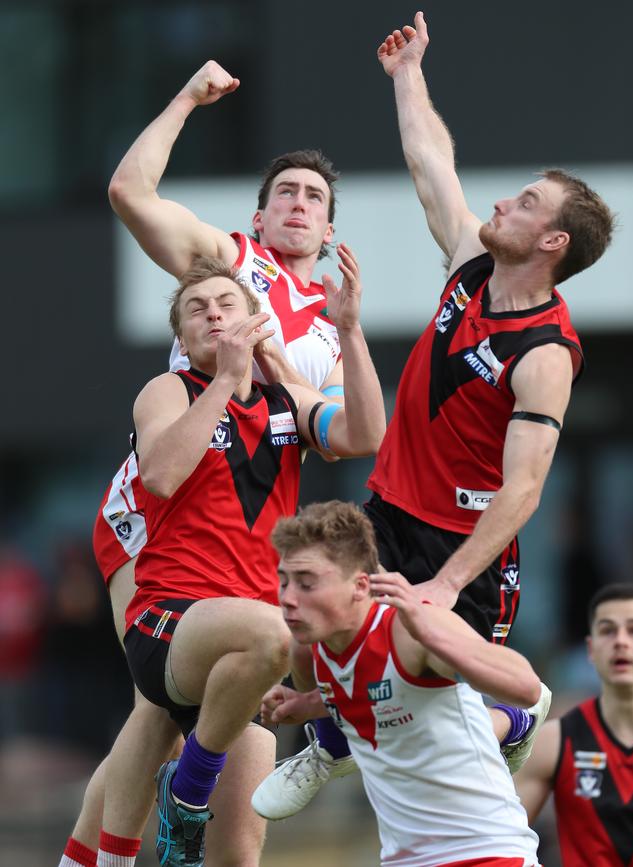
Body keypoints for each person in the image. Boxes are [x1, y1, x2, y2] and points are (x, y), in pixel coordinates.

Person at [250, 9, 616, 819]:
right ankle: (334, 737)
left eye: (524, 204)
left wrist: (445, 586)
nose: (502, 204)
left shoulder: (547, 353)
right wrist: (408, 74)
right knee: (307, 590)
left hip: (464, 547)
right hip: (388, 507)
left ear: (552, 241)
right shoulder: (472, 262)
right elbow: (431, 167)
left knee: (438, 708)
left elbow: (523, 489)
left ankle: (517, 719)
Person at [59, 58, 354, 867]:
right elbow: (130, 193)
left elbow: (339, 434)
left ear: (329, 232)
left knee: (243, 816)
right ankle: (104, 858)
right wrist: (189, 98)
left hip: (249, 543)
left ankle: (158, 832)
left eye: (315, 198)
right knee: (155, 705)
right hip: (157, 514)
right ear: (260, 217)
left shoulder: (330, 332)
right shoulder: (227, 267)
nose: (299, 204)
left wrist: (319, 367)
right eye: (285, 193)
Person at [126, 252, 382, 867]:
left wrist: (349, 329)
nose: (214, 315)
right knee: (277, 626)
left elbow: (366, 436)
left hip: (254, 650)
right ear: (182, 338)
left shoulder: (284, 399)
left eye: (226, 305)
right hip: (171, 622)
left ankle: (318, 740)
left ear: (256, 319)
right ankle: (186, 793)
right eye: (197, 310)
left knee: (238, 856)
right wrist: (221, 381)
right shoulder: (169, 390)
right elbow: (159, 475)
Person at [255, 500, 545, 867]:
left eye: (307, 584)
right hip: (403, 859)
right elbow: (369, 687)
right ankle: (508, 724)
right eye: (284, 582)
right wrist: (311, 702)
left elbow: (526, 687)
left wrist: (430, 631)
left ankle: (513, 721)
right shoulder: (309, 648)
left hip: (487, 853)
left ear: (360, 586)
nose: (288, 599)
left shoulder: (410, 631)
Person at [514, 583, 633, 867]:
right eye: (607, 630)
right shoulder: (554, 740)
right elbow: (497, 836)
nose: (621, 641)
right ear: (591, 649)